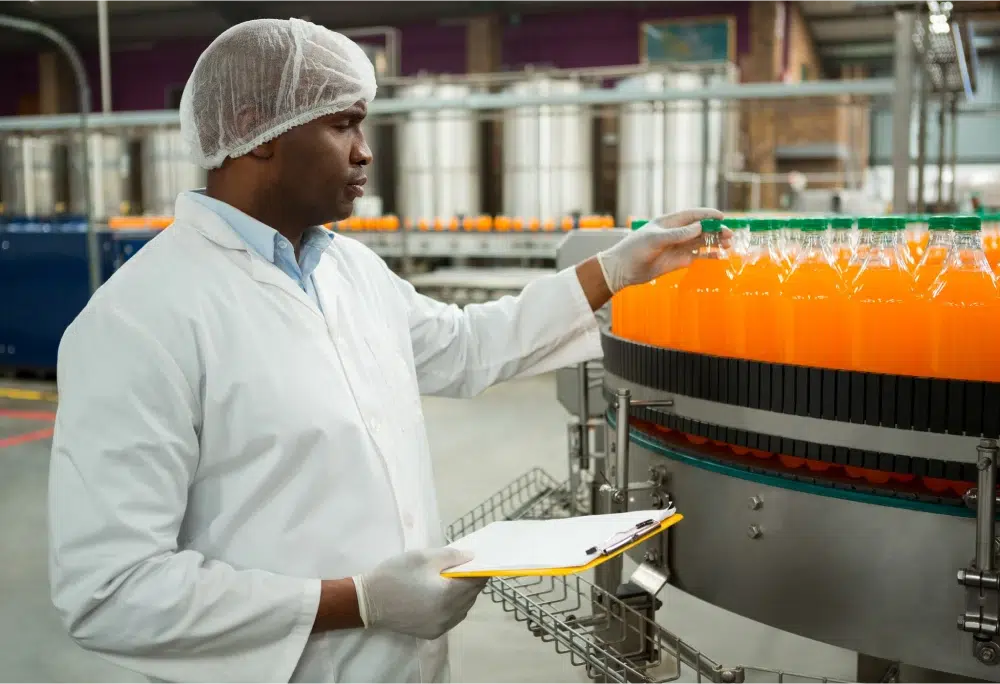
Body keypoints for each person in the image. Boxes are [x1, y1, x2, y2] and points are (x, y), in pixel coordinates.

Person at [47, 17, 724, 684]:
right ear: (257, 132)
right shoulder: (140, 321)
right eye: (342, 125)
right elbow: (109, 591)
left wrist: (615, 270)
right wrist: (358, 602)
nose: (364, 152)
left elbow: (466, 346)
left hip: (409, 664)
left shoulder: (349, 270)